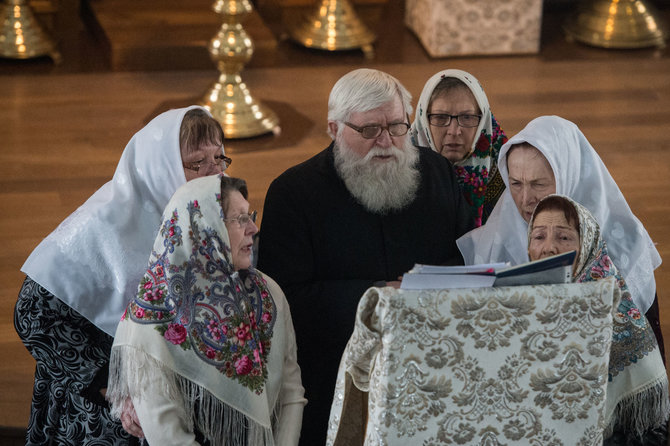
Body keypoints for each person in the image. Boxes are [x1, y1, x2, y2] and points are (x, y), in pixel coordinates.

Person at [257, 68, 473, 445]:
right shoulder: (293, 194)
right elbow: (285, 299)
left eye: (397, 126)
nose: (386, 141)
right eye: (370, 130)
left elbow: (465, 265)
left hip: (430, 363)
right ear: (334, 129)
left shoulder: (437, 174)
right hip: (334, 372)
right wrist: (379, 294)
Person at [14, 106, 229, 445]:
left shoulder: (207, 218)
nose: (214, 173)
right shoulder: (99, 227)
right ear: (161, 169)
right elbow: (32, 316)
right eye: (196, 163)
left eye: (219, 158)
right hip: (102, 414)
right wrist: (115, 390)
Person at [106, 175, 305, 445]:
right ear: (204, 227)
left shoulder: (268, 293)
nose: (254, 229)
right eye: (240, 219)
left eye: (251, 216)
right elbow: (168, 437)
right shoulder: (150, 318)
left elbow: (291, 394)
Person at [456, 116, 663, 348]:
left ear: (570, 176)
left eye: (539, 184)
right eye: (515, 183)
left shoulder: (627, 244)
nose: (525, 199)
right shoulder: (491, 245)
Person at [528, 194, 669, 444]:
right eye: (539, 237)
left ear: (588, 246)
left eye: (564, 237)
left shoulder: (617, 313)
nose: (548, 248)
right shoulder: (520, 307)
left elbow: (649, 430)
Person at [410, 69, 508, 226]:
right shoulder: (399, 167)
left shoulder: (507, 169)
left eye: (467, 117)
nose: (454, 131)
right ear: (424, 121)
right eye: (441, 117)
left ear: (483, 121)